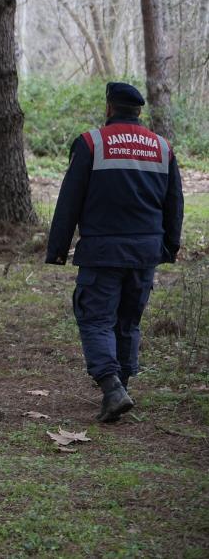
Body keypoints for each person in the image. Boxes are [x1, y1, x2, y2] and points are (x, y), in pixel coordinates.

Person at [46, 82, 183, 422]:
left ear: (109, 108)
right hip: (145, 252)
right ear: (139, 111)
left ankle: (111, 387)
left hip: (103, 251)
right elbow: (174, 204)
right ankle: (121, 388)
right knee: (128, 321)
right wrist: (168, 247)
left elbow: (69, 201)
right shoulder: (162, 148)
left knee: (95, 318)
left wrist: (58, 249)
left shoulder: (92, 143)